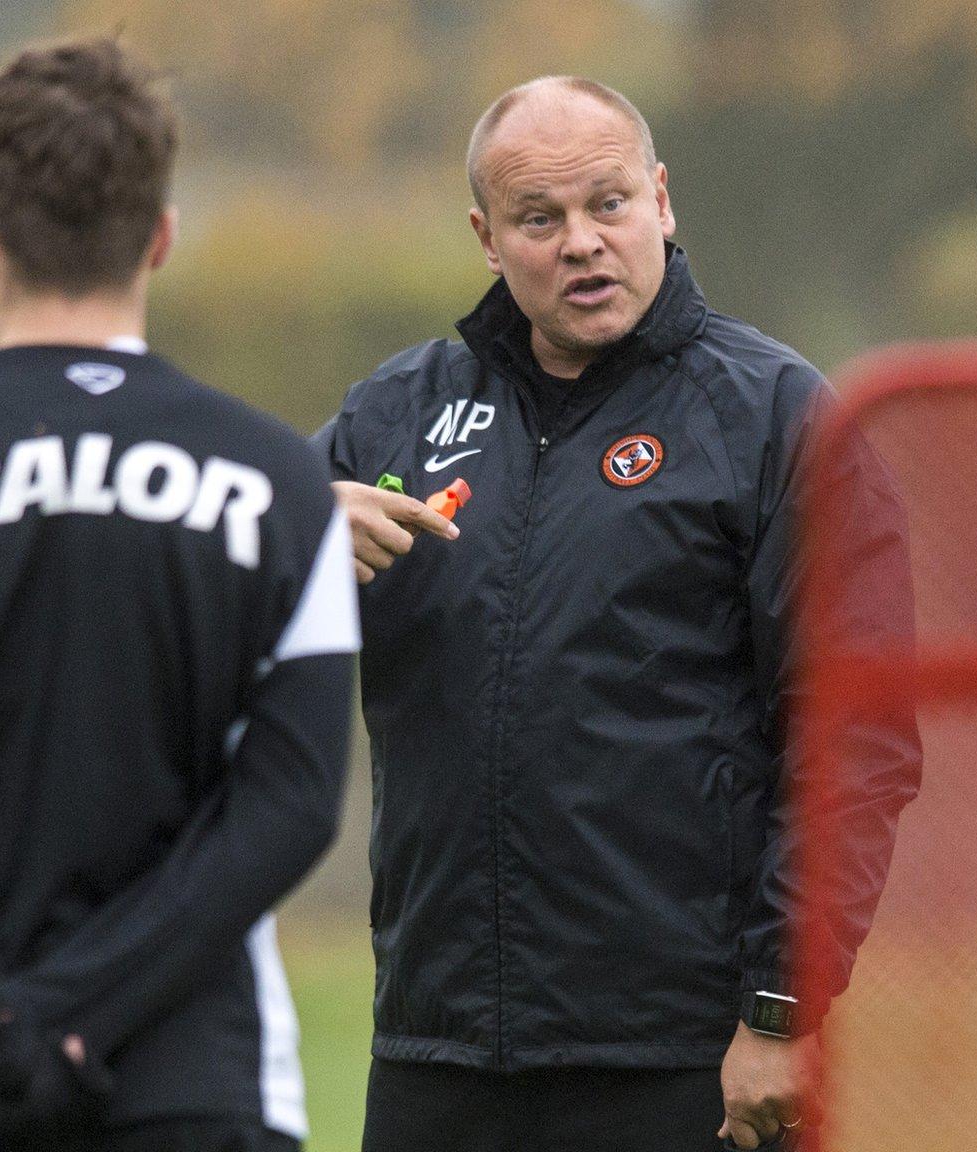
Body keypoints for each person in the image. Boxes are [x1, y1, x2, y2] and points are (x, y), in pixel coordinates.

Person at [313, 76, 920, 1152]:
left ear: (662, 200)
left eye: (609, 204)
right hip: (437, 1049)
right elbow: (200, 613)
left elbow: (853, 740)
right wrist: (289, 540)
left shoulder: (774, 417)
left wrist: (779, 1010)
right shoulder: (393, 416)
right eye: (539, 219)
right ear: (487, 238)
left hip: (675, 1058)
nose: (582, 243)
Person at [0, 38, 358, 1152]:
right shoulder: (277, 480)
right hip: (205, 1086)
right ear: (161, 235)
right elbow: (289, 804)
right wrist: (77, 1019)